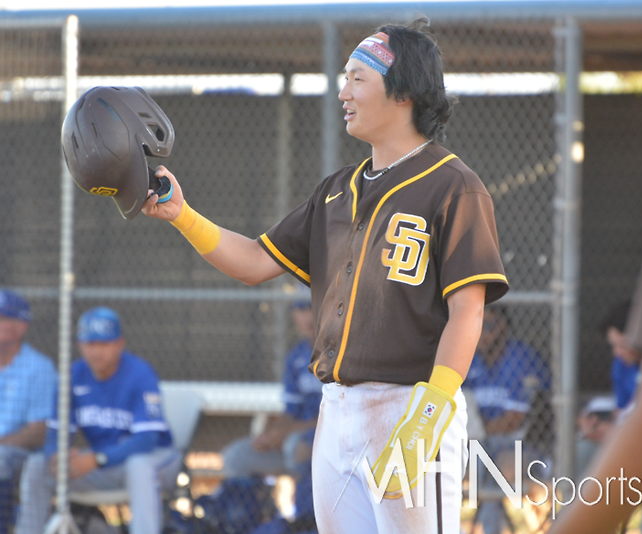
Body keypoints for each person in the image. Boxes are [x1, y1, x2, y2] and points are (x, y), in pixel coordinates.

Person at [143, 17, 508, 533]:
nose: (343, 92)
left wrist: (427, 417)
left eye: (358, 78)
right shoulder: (337, 189)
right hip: (335, 410)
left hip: (412, 405)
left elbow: (467, 311)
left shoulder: (454, 187)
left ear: (403, 92)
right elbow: (253, 262)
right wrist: (181, 214)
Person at [548, 187, 642, 533]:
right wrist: (600, 424)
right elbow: (629, 413)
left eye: (623, 342)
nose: (619, 352)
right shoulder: (622, 366)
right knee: (582, 453)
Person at [15, 307, 181, 534]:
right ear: (79, 345)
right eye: (90, 344)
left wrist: (98, 459)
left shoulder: (140, 373)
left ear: (120, 344)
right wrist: (55, 456)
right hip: (104, 463)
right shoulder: (73, 375)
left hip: (156, 460)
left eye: (104, 344)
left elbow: (146, 441)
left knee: (138, 466)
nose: (96, 352)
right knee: (37, 466)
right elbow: (57, 432)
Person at [221, 295, 321, 533]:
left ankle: (307, 524)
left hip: (330, 442)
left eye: (312, 307)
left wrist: (286, 433)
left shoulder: (341, 355)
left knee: (297, 446)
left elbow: (338, 416)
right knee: (237, 456)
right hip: (296, 440)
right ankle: (265, 521)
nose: (307, 316)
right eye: (300, 309)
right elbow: (291, 411)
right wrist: (272, 435)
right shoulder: (296, 357)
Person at [463, 307, 550, 534]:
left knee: (493, 470)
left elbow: (515, 420)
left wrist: (478, 431)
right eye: (477, 328)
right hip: (479, 445)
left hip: (522, 446)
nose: (482, 334)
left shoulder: (521, 357)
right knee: (456, 465)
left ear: (503, 327)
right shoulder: (469, 360)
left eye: (489, 327)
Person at [0, 289, 57, 534]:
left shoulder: (39, 368)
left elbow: (39, 432)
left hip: (18, 453)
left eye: (2, 318)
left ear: (21, 326)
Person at [600, 301, 640, 412]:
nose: (617, 352)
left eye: (622, 345)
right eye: (614, 346)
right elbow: (621, 409)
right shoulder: (621, 365)